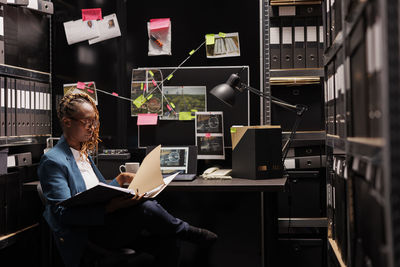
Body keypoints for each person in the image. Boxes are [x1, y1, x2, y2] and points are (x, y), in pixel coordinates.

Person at [38, 92, 217, 267]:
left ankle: (183, 232)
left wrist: (121, 179)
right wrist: (112, 206)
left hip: (108, 224)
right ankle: (188, 231)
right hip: (88, 233)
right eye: (86, 122)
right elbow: (63, 215)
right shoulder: (53, 160)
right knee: (146, 208)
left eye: (94, 122)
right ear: (67, 122)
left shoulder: (82, 153)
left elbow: (97, 192)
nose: (92, 128)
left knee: (169, 240)